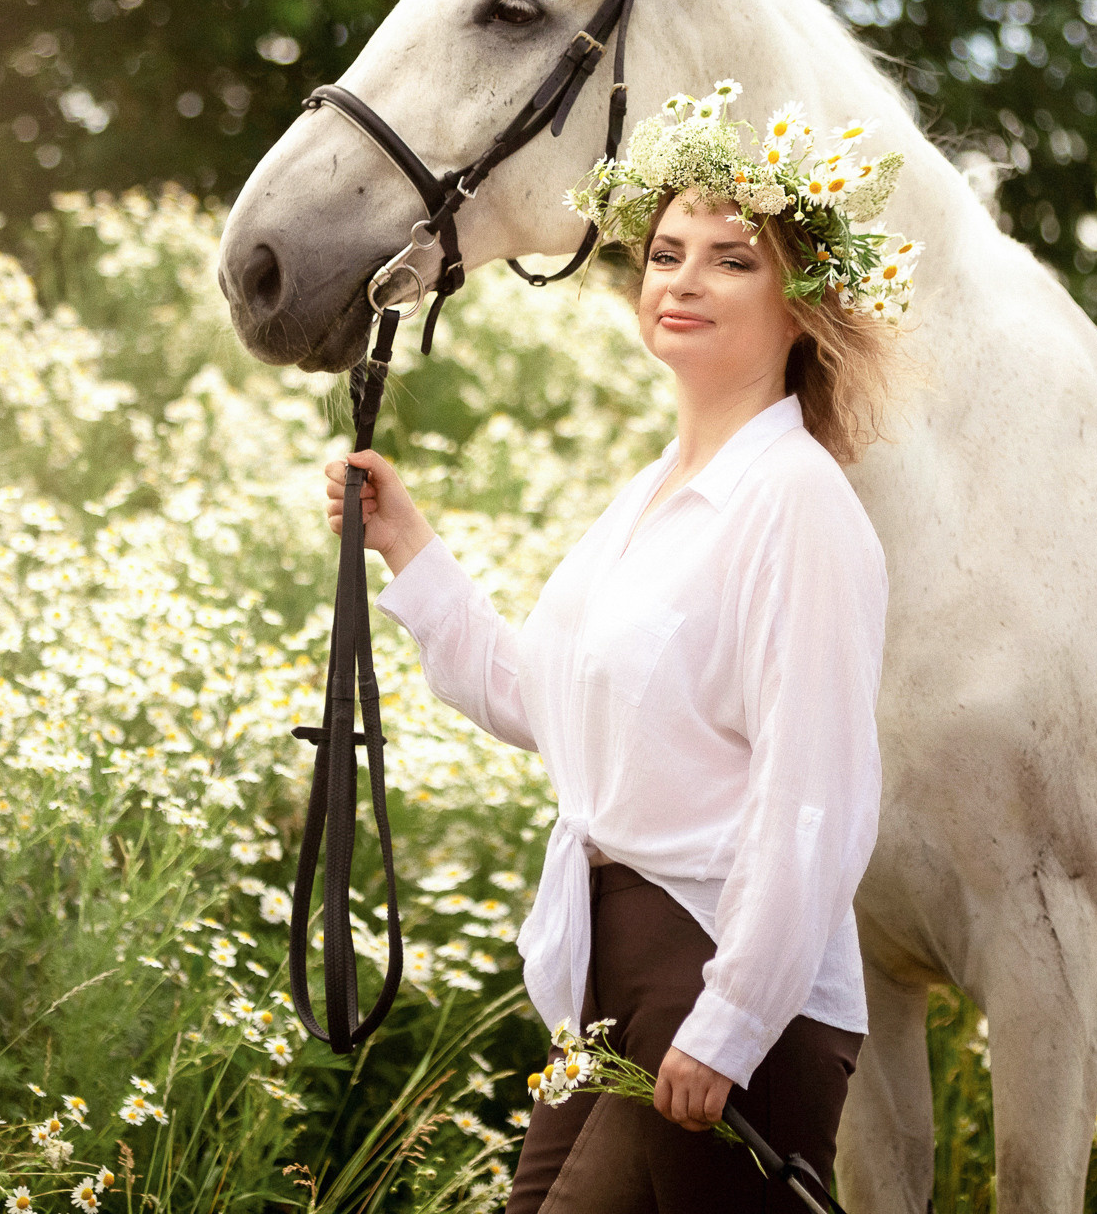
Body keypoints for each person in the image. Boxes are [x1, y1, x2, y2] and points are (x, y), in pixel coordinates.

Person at [322, 86, 919, 1211]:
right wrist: (409, 545)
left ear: (802, 306)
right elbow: (545, 701)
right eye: (665, 252)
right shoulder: (649, 495)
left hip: (718, 970)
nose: (682, 279)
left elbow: (816, 796)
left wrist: (734, 1018)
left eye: (731, 260)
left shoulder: (797, 502)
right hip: (606, 970)